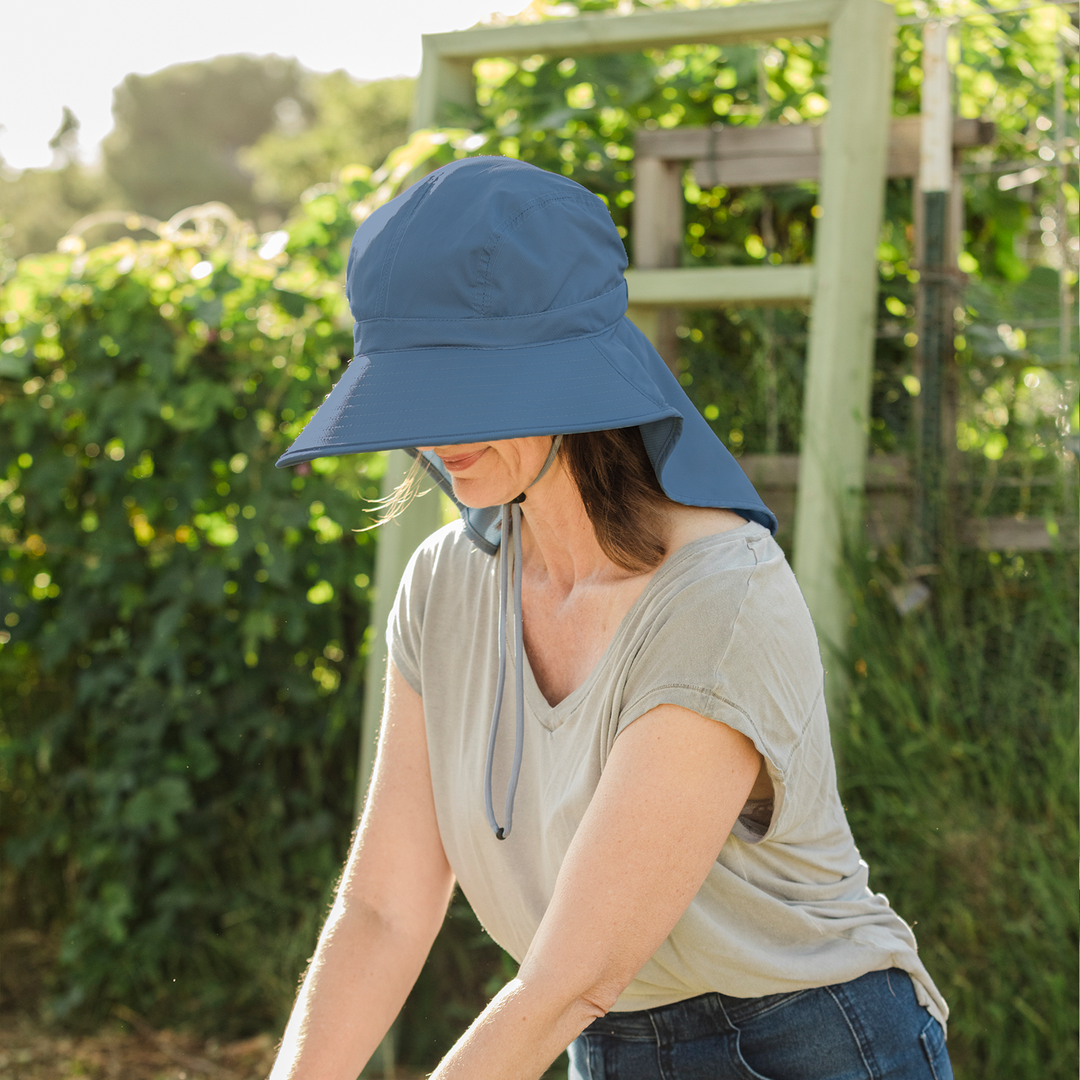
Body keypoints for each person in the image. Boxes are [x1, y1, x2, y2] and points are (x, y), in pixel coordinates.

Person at [270, 157, 952, 1080]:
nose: (434, 431)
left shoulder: (719, 598)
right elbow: (385, 910)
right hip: (608, 1045)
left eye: (467, 383)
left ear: (574, 370)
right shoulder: (443, 586)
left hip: (809, 1044)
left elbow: (572, 977)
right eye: (411, 386)